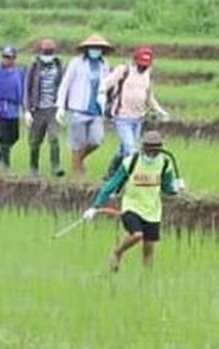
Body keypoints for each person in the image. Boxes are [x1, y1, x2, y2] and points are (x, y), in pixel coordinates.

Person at [83, 129, 184, 270]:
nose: (152, 154)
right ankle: (117, 252)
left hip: (153, 211)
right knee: (137, 235)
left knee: (149, 249)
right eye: (149, 150)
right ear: (143, 149)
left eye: (155, 151)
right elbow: (112, 184)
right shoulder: (131, 162)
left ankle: (146, 281)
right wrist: (95, 206)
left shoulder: (165, 164)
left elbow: (167, 189)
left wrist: (176, 188)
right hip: (132, 207)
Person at [102, 45, 170, 178]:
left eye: (146, 65)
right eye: (141, 64)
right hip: (122, 117)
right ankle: (131, 176)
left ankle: (111, 171)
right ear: (135, 61)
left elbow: (149, 97)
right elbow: (106, 84)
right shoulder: (124, 70)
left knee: (124, 148)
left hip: (138, 118)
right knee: (131, 149)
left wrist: (160, 111)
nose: (143, 67)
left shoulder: (148, 75)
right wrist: (100, 97)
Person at [56, 33, 113, 180]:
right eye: (92, 47)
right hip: (78, 108)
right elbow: (65, 84)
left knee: (96, 140)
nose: (95, 50)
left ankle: (79, 161)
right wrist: (61, 106)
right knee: (77, 144)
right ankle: (77, 177)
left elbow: (107, 85)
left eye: (98, 48)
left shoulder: (104, 64)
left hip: (96, 109)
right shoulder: (76, 63)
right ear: (86, 49)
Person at [23, 38, 65, 178]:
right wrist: (27, 110)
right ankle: (33, 168)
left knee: (54, 138)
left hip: (53, 108)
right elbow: (27, 88)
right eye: (45, 52)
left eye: (50, 52)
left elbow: (63, 86)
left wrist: (62, 107)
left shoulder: (58, 65)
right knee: (35, 140)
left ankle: (55, 167)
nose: (47, 54)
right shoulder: (34, 66)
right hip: (37, 108)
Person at [0, 45, 24, 171]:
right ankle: (6, 166)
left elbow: (22, 90)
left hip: (13, 109)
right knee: (4, 138)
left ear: (14, 59)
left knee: (15, 136)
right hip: (0, 107)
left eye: (10, 57)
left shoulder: (19, 72)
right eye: (5, 57)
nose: (7, 60)